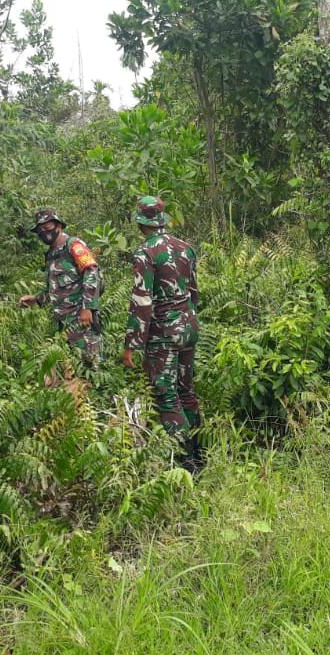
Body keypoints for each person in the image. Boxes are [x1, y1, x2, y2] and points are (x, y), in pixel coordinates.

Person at [122, 196, 203, 470]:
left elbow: (142, 302)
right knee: (186, 390)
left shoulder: (145, 254)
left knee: (166, 394)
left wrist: (132, 343)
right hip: (189, 326)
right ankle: (200, 453)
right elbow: (194, 292)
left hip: (164, 332)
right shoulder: (186, 248)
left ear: (140, 222)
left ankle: (184, 462)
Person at [19, 208, 103, 366]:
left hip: (82, 321)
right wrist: (36, 299)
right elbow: (55, 288)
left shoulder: (73, 245)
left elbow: (91, 271)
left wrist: (88, 308)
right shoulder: (51, 254)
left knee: (92, 369)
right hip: (63, 324)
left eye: (47, 227)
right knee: (73, 373)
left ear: (59, 226)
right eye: (40, 230)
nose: (44, 232)